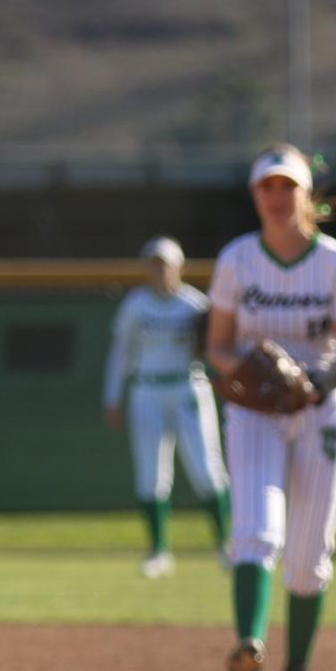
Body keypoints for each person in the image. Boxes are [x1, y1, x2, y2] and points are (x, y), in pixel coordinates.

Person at [205, 144, 336, 671]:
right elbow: (218, 346)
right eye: (267, 187)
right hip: (254, 410)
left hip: (318, 411)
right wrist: (256, 371)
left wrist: (312, 383)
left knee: (306, 554)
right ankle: (249, 643)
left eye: (287, 186)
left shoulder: (333, 261)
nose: (276, 197)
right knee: (255, 530)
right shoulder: (237, 259)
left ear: (305, 194)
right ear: (255, 195)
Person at [103, 236, 231, 578]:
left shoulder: (194, 304)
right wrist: (112, 397)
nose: (160, 270)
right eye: (154, 264)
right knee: (151, 473)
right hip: (147, 389)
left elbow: (217, 348)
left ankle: (227, 546)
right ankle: (158, 551)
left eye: (166, 264)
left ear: (179, 267)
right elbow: (121, 352)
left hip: (188, 386)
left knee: (206, 468)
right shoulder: (136, 305)